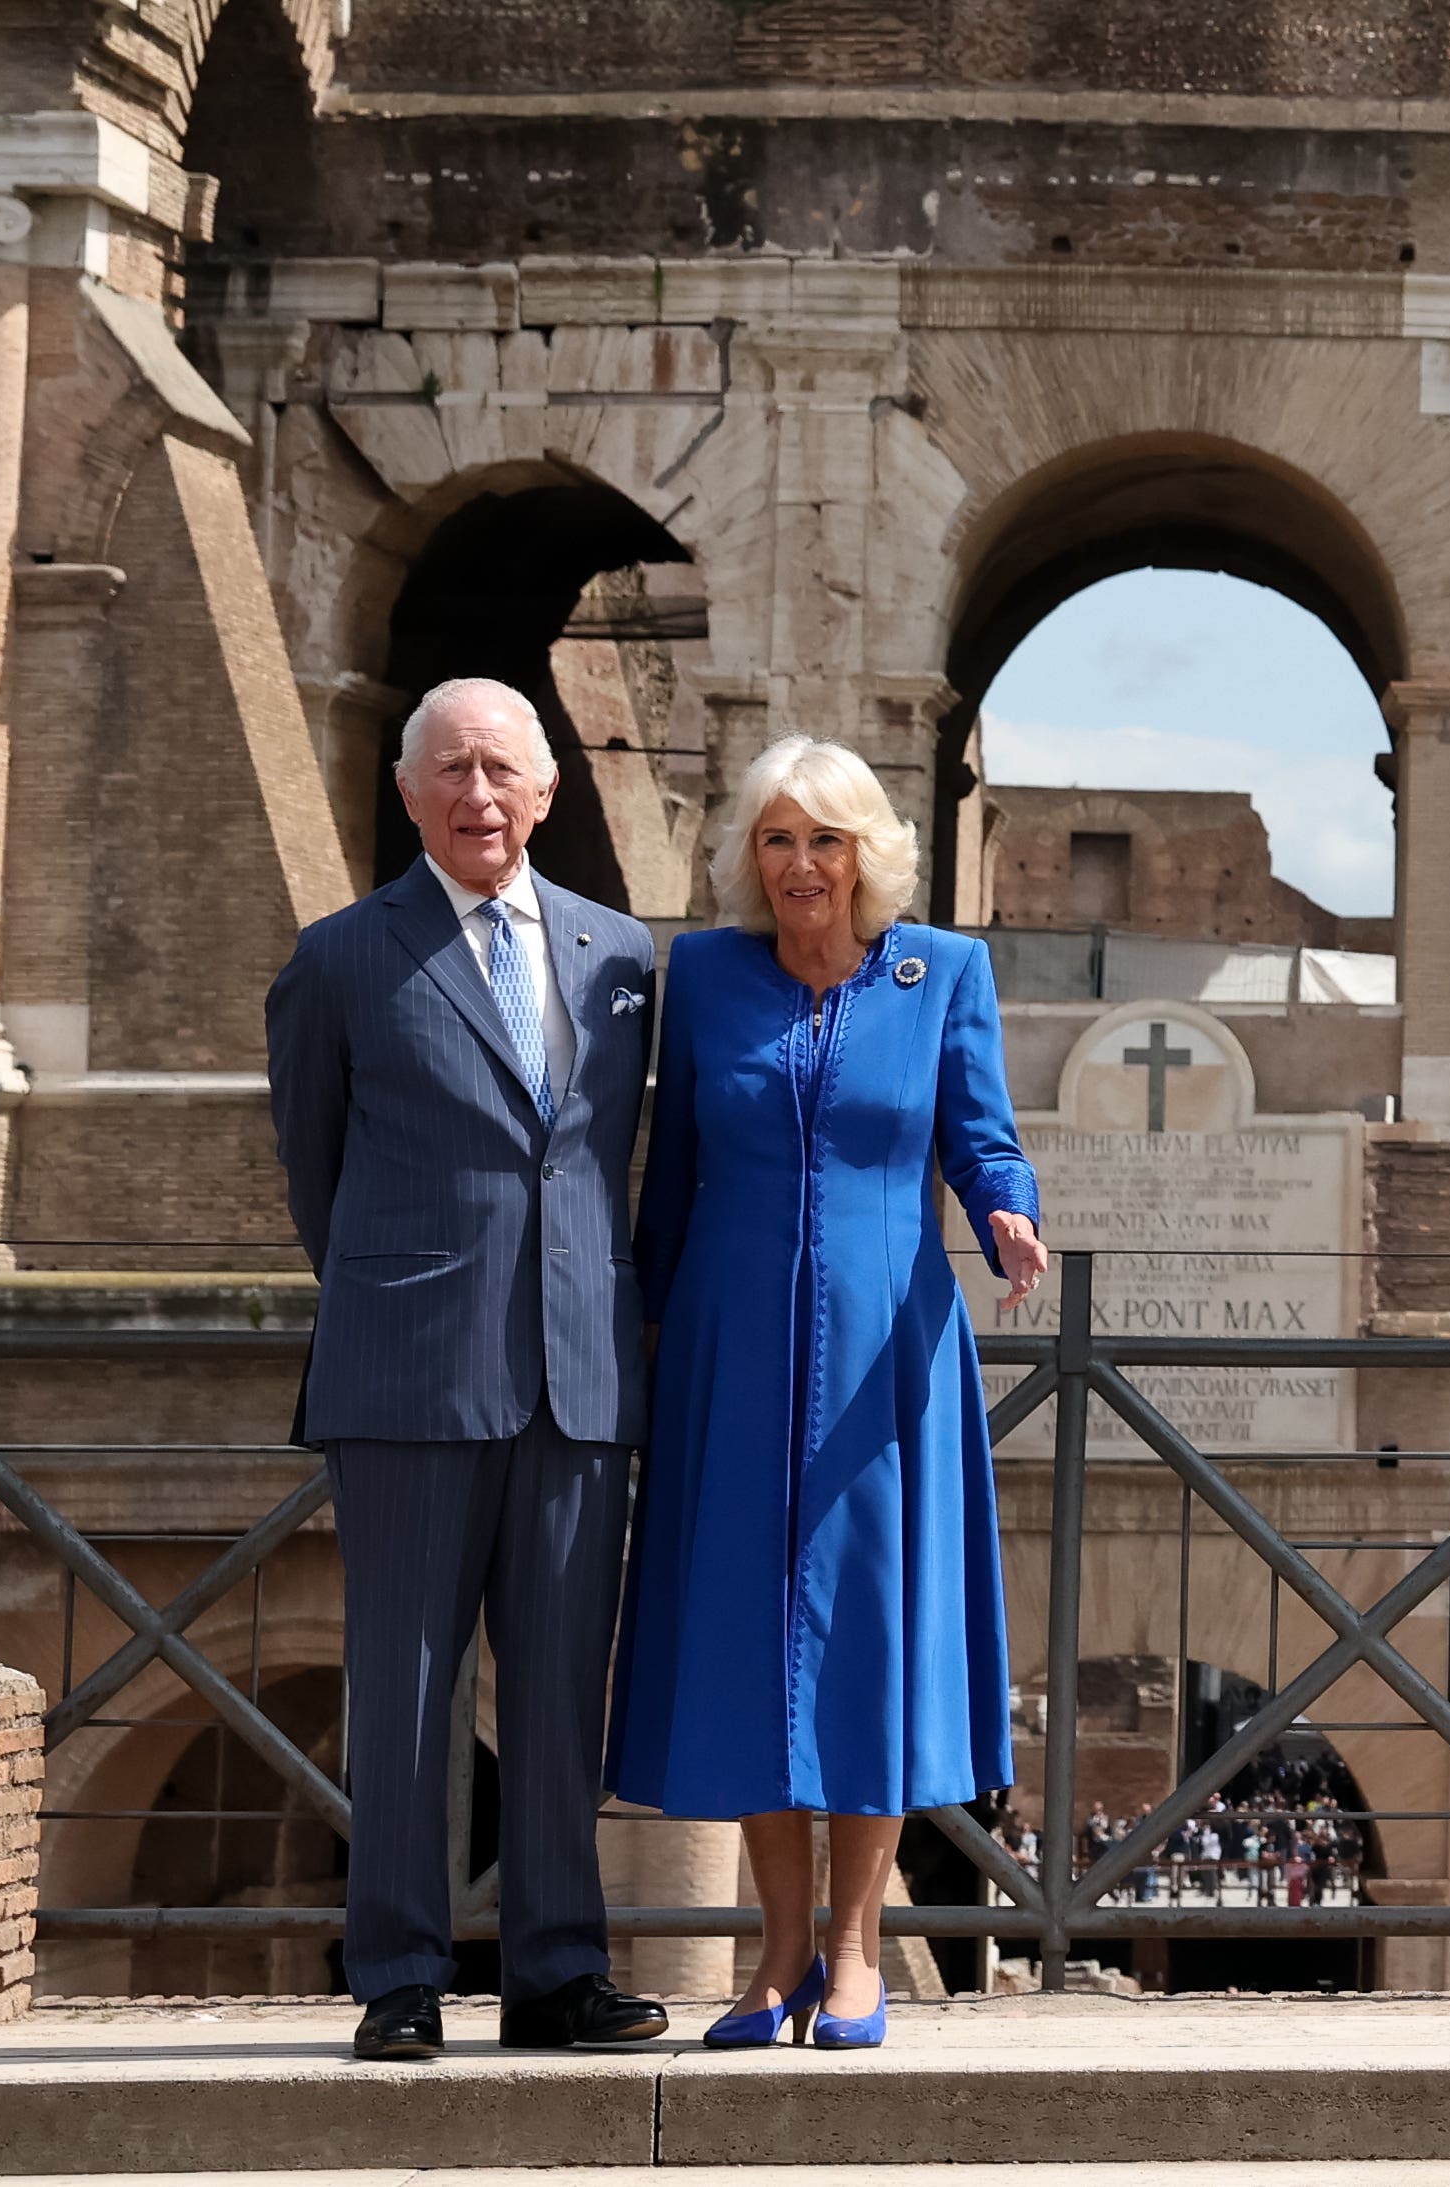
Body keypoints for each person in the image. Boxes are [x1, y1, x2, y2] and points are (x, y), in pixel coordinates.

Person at [608, 734, 1049, 2052]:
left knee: (870, 1635)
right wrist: (636, 1331)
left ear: (869, 856)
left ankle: (857, 1952)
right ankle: (775, 1956)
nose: (800, 865)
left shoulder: (942, 974)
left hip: (887, 1354)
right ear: (751, 859)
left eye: (826, 840)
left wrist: (1010, 1214)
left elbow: (981, 1137)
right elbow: (667, 1176)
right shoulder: (704, 975)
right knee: (749, 1638)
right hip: (726, 1348)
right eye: (777, 840)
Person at [265, 677, 669, 2063]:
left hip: (579, 1380)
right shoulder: (339, 960)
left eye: (502, 769)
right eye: (450, 770)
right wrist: (410, 1298)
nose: (478, 795)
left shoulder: (622, 960)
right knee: (403, 1686)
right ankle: (399, 1977)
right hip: (408, 1378)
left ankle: (560, 1974)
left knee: (561, 1695)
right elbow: (315, 1177)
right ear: (407, 790)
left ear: (548, 790)